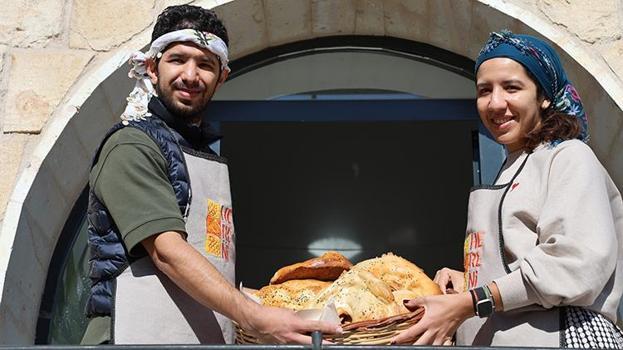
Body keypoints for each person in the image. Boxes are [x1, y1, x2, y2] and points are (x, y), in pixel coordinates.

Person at [81, 5, 341, 345]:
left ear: (222, 77)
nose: (191, 75)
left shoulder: (204, 155)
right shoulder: (131, 145)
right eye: (178, 59)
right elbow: (166, 251)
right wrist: (254, 316)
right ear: (151, 67)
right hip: (131, 336)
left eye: (205, 64)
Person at [392, 30, 623, 348]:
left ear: (543, 96)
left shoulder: (568, 156)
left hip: (562, 338)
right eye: (484, 90)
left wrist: (471, 301)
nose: (495, 103)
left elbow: (573, 265)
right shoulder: (510, 167)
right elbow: (515, 273)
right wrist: (468, 283)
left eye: (511, 87)